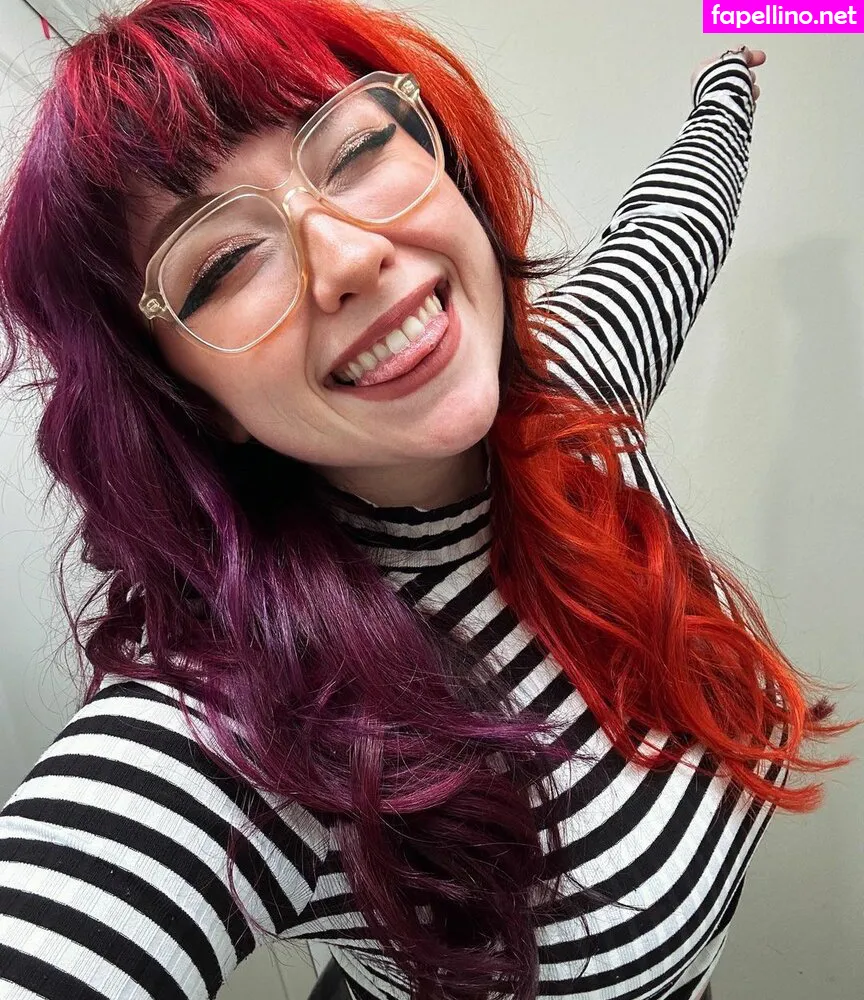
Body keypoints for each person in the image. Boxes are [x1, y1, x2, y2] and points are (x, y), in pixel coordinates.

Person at [0, 1, 855, 999]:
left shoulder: (577, 393)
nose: (350, 255)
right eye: (225, 261)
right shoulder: (248, 718)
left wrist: (734, 68)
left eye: (357, 147)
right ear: (189, 395)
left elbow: (675, 219)